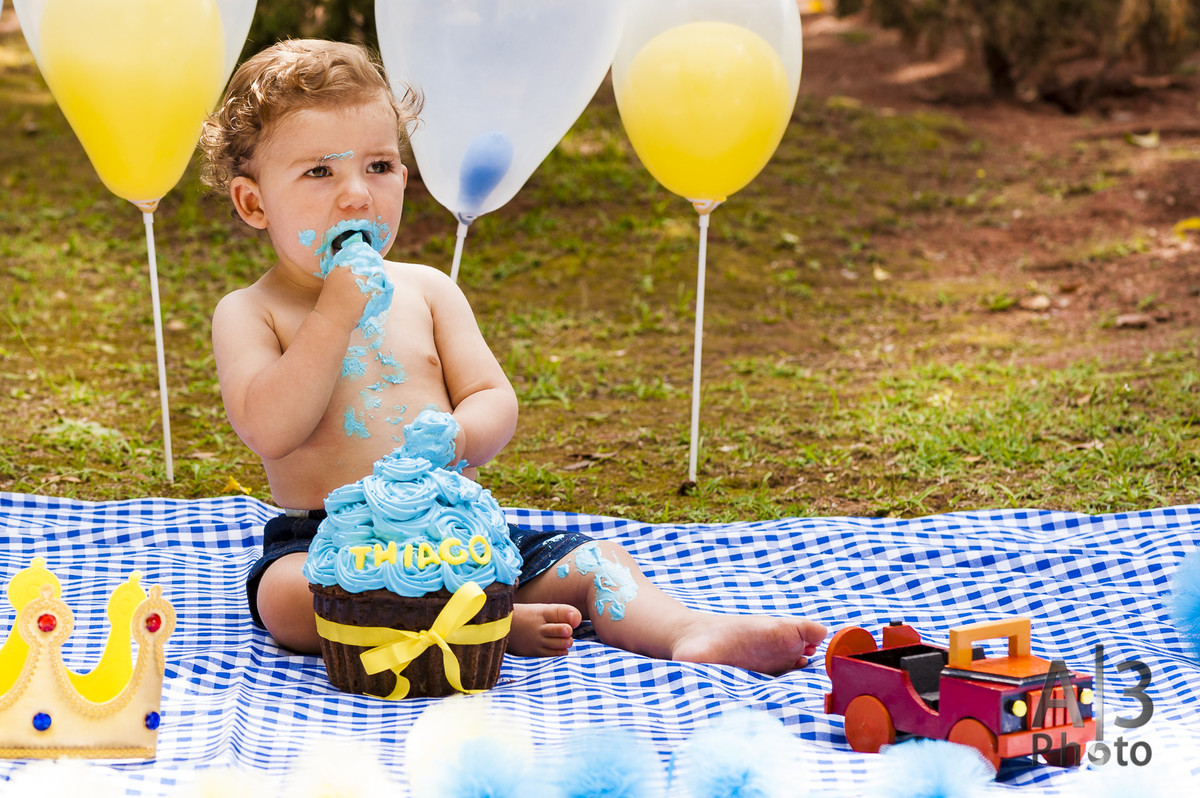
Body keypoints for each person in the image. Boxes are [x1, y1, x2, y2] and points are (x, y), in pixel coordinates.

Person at [201, 39, 826, 674]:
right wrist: (334, 315)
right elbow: (270, 426)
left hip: (457, 528)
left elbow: (493, 398)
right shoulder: (251, 312)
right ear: (254, 203)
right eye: (319, 172)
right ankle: (488, 622)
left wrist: (457, 436)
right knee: (285, 600)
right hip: (334, 542)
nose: (357, 195)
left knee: (593, 562)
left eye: (380, 167)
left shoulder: (429, 289)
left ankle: (684, 630)